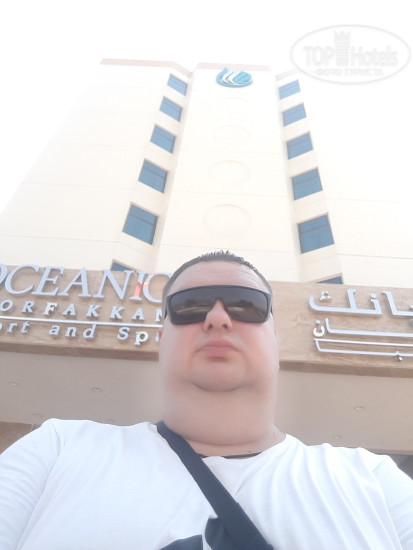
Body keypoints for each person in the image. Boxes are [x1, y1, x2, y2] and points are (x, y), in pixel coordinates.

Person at [1, 250, 413, 550]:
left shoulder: (373, 480)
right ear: (161, 337)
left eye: (246, 305)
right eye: (190, 306)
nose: (217, 318)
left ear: (275, 337)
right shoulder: (58, 449)